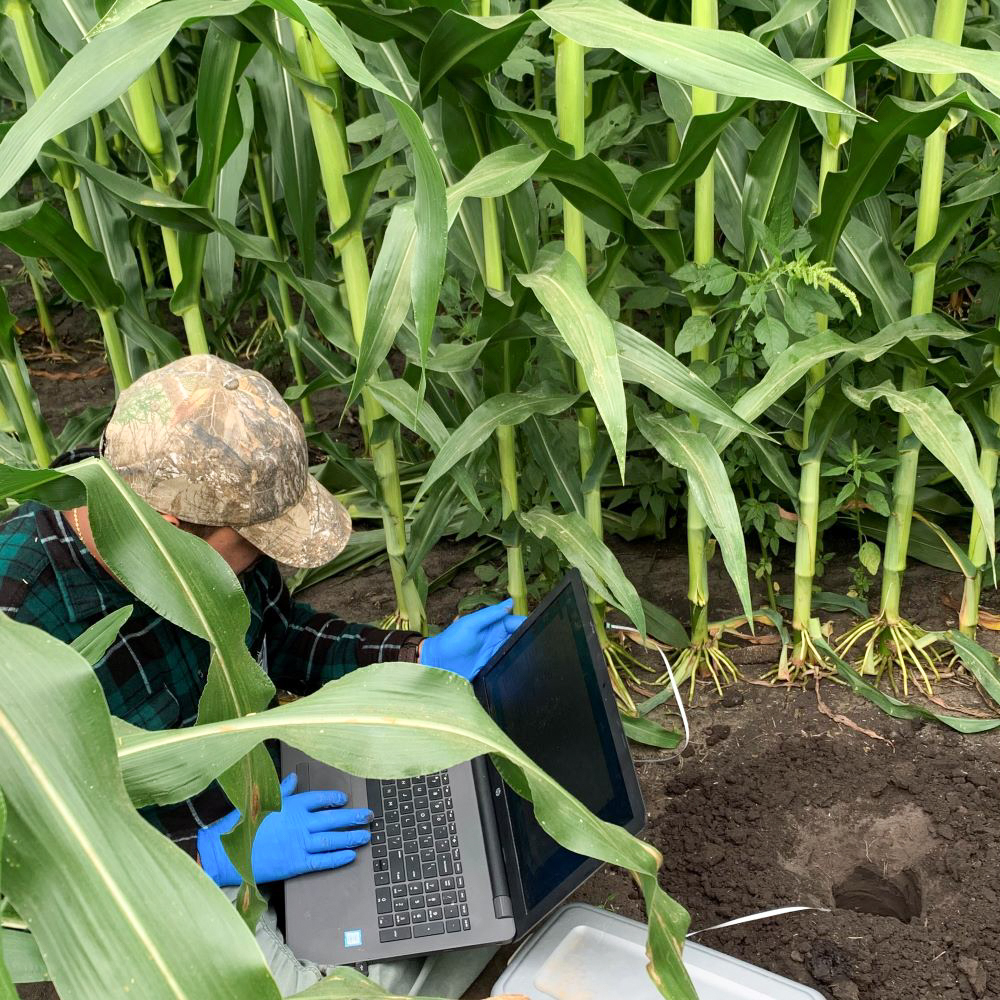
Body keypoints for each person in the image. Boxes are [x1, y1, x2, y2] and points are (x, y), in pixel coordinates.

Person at [0, 355, 525, 996]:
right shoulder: (19, 615)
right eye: (253, 543)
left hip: (262, 789)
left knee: (480, 890)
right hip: (150, 863)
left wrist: (416, 662)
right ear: (170, 529)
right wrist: (218, 854)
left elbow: (276, 636)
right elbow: (37, 842)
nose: (265, 560)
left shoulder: (177, 489)